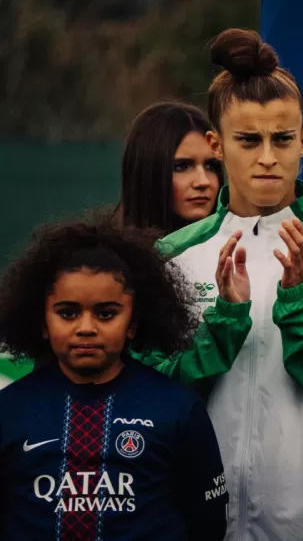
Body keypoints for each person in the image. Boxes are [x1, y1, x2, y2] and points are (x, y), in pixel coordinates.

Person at [133, 28, 303, 540]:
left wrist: (302, 303)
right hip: (191, 523)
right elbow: (147, 405)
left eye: (282, 139)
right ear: (217, 144)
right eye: (249, 140)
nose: (268, 157)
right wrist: (223, 326)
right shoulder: (170, 256)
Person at [0, 218, 228, 540]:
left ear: (133, 324)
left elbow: (208, 523)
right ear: (42, 323)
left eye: (106, 314)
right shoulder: (8, 409)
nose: (86, 328)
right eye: (68, 313)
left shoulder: (178, 407)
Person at [118, 101, 224, 235]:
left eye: (210, 166)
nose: (203, 182)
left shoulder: (241, 242)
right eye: (182, 167)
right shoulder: (106, 248)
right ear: (148, 173)